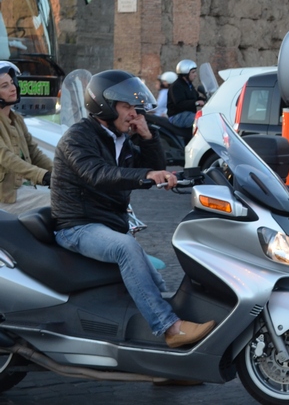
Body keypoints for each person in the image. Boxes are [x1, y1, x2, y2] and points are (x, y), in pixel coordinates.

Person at [50, 70, 215, 348]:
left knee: (152, 275)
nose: (133, 113)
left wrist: (148, 137)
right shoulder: (77, 138)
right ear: (103, 105)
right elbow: (98, 174)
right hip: (77, 226)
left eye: (134, 107)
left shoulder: (120, 139)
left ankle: (168, 360)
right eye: (126, 106)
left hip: (108, 223)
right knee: (126, 248)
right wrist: (146, 176)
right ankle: (170, 328)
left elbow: (153, 166)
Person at [0, 62, 53, 215]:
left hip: (24, 189)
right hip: (6, 196)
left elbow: (34, 152)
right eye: (4, 86)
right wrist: (41, 176)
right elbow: (5, 157)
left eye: (12, 83)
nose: (12, 88)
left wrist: (59, 173)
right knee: (59, 201)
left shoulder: (16, 119)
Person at [167, 59, 205, 130]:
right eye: (193, 72)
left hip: (187, 115)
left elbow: (196, 97)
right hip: (177, 116)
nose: (195, 75)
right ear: (186, 74)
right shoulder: (176, 86)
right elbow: (179, 103)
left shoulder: (189, 85)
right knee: (201, 121)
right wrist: (196, 103)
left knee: (205, 118)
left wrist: (207, 100)